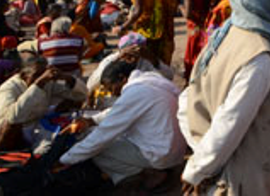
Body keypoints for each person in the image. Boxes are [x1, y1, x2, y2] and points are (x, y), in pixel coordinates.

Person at [178, 0, 270, 194]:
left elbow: (188, 99)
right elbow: (230, 121)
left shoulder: (225, 35)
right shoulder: (259, 56)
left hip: (220, 155)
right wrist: (198, 169)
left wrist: (200, 151)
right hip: (247, 170)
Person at [58, 59, 187, 186]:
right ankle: (153, 170)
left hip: (162, 154)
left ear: (122, 78)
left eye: (111, 88)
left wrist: (66, 159)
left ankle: (145, 174)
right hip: (175, 151)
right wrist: (92, 120)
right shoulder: (150, 82)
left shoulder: (136, 92)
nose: (112, 93)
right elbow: (118, 111)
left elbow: (102, 135)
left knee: (98, 147)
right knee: (112, 135)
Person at [0, 52, 87, 151]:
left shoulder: (47, 83)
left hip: (35, 127)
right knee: (12, 126)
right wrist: (38, 84)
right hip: (7, 134)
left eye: (42, 74)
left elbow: (82, 95)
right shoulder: (8, 89)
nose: (41, 78)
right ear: (23, 75)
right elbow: (13, 118)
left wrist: (67, 78)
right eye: (36, 75)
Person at [182, 0, 213, 80]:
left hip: (195, 28)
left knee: (192, 58)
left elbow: (188, 14)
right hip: (209, 26)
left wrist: (180, 8)